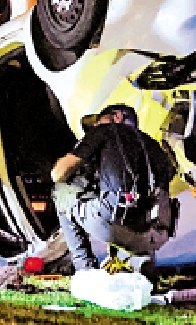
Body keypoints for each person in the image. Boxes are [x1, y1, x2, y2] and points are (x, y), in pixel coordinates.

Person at [50, 104, 176, 275]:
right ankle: (140, 261)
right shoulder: (155, 147)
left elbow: (59, 173)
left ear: (117, 117)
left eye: (99, 120)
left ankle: (85, 270)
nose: (95, 125)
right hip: (158, 233)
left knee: (60, 193)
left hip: (116, 222)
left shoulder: (106, 131)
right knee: (133, 208)